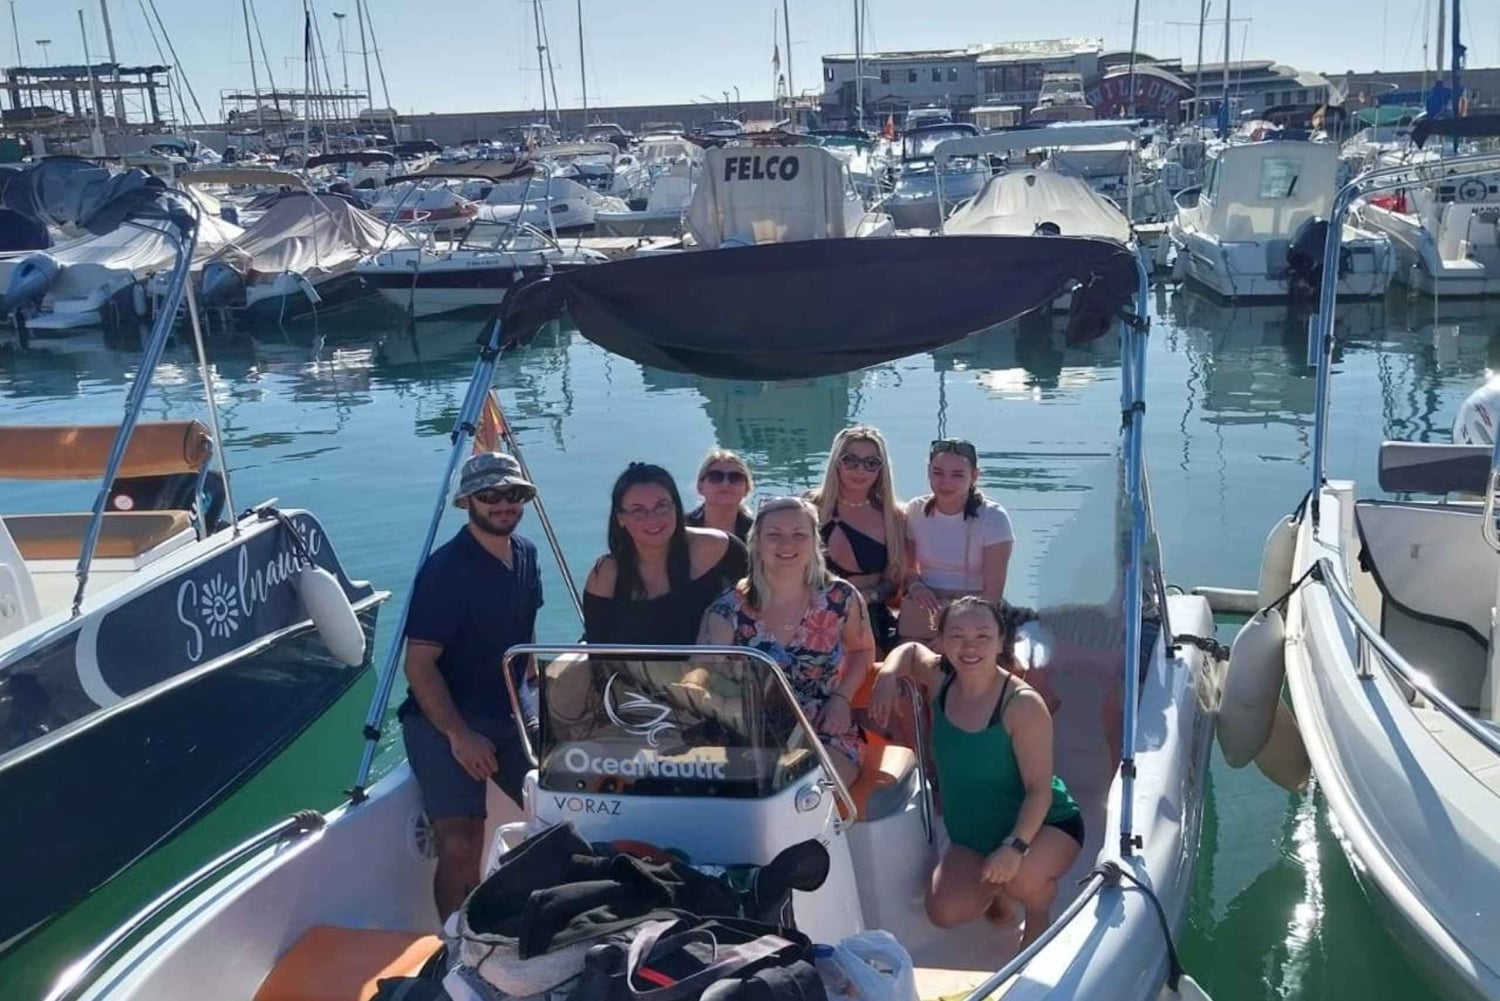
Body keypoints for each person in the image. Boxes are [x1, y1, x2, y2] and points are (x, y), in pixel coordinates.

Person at [868, 597, 1082, 946]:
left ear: (1001, 642)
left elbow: (1039, 789)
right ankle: (999, 887)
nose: (970, 647)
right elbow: (910, 651)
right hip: (975, 835)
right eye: (957, 636)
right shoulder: (940, 678)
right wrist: (888, 674)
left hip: (1044, 824)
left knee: (1023, 877)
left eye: (983, 636)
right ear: (941, 641)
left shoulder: (1022, 704)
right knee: (944, 912)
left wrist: (1014, 847)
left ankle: (1038, 908)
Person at [400, 451, 544, 919]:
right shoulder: (446, 572)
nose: (503, 503)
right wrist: (460, 735)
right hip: (444, 722)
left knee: (564, 809)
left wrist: (538, 697)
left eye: (513, 494)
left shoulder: (526, 555)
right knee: (461, 841)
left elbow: (525, 632)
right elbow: (419, 665)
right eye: (490, 495)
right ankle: (458, 944)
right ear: (467, 503)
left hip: (511, 713)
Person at [697, 496, 876, 786]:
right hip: (748, 734)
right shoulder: (726, 609)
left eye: (799, 534)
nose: (787, 544)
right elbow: (704, 674)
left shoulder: (841, 597)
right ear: (756, 542)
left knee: (812, 790)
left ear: (814, 541)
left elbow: (862, 650)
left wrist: (842, 699)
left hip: (823, 725)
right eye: (774, 535)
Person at [584, 462, 747, 645]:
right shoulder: (606, 575)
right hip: (630, 664)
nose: (653, 518)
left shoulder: (718, 547)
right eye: (638, 511)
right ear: (620, 518)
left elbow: (761, 600)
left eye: (661, 506)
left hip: (714, 662)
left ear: (676, 507)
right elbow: (597, 649)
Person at [900, 438, 1014, 641]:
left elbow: (992, 594)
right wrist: (916, 586)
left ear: (974, 476)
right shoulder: (915, 511)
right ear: (928, 472)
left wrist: (951, 637)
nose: (946, 482)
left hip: (976, 611)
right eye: (938, 473)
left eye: (957, 475)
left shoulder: (993, 518)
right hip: (925, 610)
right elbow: (909, 569)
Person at [807, 426, 906, 652]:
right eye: (850, 460)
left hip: (867, 615)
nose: (860, 470)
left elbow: (894, 580)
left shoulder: (893, 517)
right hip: (810, 612)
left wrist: (865, 597)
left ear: (882, 468)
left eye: (871, 463)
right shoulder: (810, 508)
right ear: (836, 462)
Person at [685, 449, 754, 541]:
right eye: (715, 476)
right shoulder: (680, 528)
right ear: (700, 486)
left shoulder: (757, 532)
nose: (725, 484)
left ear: (746, 488)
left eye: (735, 478)